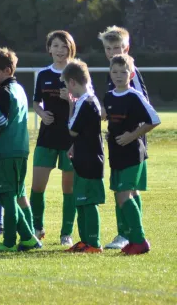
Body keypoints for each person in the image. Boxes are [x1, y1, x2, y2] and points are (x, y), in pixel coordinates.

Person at [0, 47, 41, 252]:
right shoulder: (19, 89)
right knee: (17, 193)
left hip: (5, 150)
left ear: (7, 70)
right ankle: (30, 235)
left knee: (6, 196)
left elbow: (0, 122)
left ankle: (12, 240)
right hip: (20, 149)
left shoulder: (3, 91)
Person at [98, 26, 150, 250]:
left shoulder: (129, 72)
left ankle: (126, 234)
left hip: (131, 141)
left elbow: (142, 105)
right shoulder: (114, 72)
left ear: (126, 48)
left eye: (117, 47)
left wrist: (130, 133)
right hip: (123, 140)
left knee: (123, 189)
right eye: (108, 48)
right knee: (131, 189)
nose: (112, 52)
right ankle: (131, 233)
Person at [104, 54, 160, 255]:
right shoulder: (109, 96)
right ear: (110, 74)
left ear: (131, 73)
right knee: (124, 195)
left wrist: (132, 135)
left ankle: (139, 240)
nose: (119, 75)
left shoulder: (135, 95)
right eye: (115, 72)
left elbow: (154, 119)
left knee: (123, 195)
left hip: (132, 154)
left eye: (123, 71)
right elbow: (106, 118)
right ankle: (131, 238)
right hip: (115, 155)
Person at [30, 30, 77, 246]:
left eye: (64, 46)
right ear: (49, 48)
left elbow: (87, 105)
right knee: (37, 186)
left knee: (69, 189)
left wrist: (69, 100)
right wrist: (41, 114)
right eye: (56, 46)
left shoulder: (77, 73)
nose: (60, 50)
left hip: (70, 138)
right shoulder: (43, 74)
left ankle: (66, 233)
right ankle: (37, 228)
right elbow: (36, 103)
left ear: (71, 48)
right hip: (46, 136)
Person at [62, 60, 105, 253]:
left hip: (89, 160)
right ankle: (84, 241)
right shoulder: (90, 99)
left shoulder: (84, 102)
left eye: (66, 84)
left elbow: (72, 129)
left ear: (72, 82)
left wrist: (70, 106)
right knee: (81, 201)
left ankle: (94, 243)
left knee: (88, 202)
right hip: (84, 158)